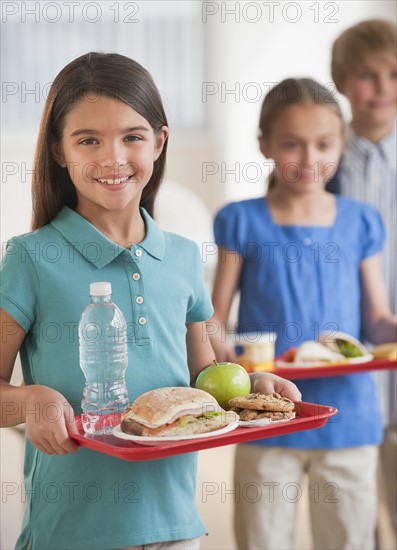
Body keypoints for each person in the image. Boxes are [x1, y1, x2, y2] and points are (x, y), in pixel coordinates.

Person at [0, 53, 301, 550]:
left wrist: (252, 390)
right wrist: (29, 400)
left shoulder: (183, 258)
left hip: (175, 527)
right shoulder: (31, 258)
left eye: (132, 137)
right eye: (88, 140)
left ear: (160, 142)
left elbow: (206, 385)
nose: (113, 158)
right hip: (73, 532)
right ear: (58, 150)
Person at [209, 78, 397, 550]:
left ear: (341, 143)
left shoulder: (360, 220)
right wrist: (229, 369)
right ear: (264, 144)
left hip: (348, 417)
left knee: (349, 541)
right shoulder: (241, 220)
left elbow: (376, 321)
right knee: (262, 540)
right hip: (265, 418)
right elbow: (214, 319)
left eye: (324, 144)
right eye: (292, 144)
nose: (310, 160)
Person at [329, 19, 397, 534]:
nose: (382, 89)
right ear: (342, 82)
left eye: (393, 74)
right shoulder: (316, 162)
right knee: (351, 508)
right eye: (367, 76)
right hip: (342, 345)